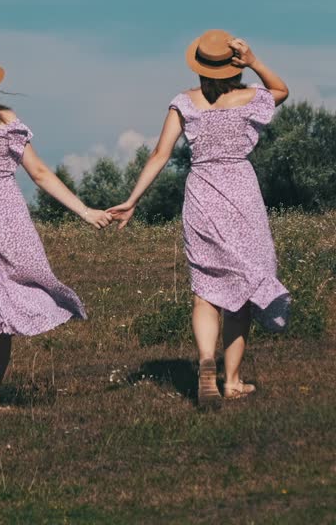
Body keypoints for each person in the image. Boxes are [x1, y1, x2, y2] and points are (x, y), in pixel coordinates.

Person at [108, 30, 290, 408]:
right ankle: (233, 380)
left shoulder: (184, 103)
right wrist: (254, 60)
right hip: (241, 193)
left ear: (201, 67)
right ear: (233, 65)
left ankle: (207, 359)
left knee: (206, 288)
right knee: (242, 290)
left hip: (202, 194)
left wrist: (132, 200)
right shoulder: (250, 99)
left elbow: (159, 154)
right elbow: (281, 90)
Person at [0, 52, 112, 426]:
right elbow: (40, 174)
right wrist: (85, 211)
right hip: (10, 215)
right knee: (7, 303)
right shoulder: (8, 121)